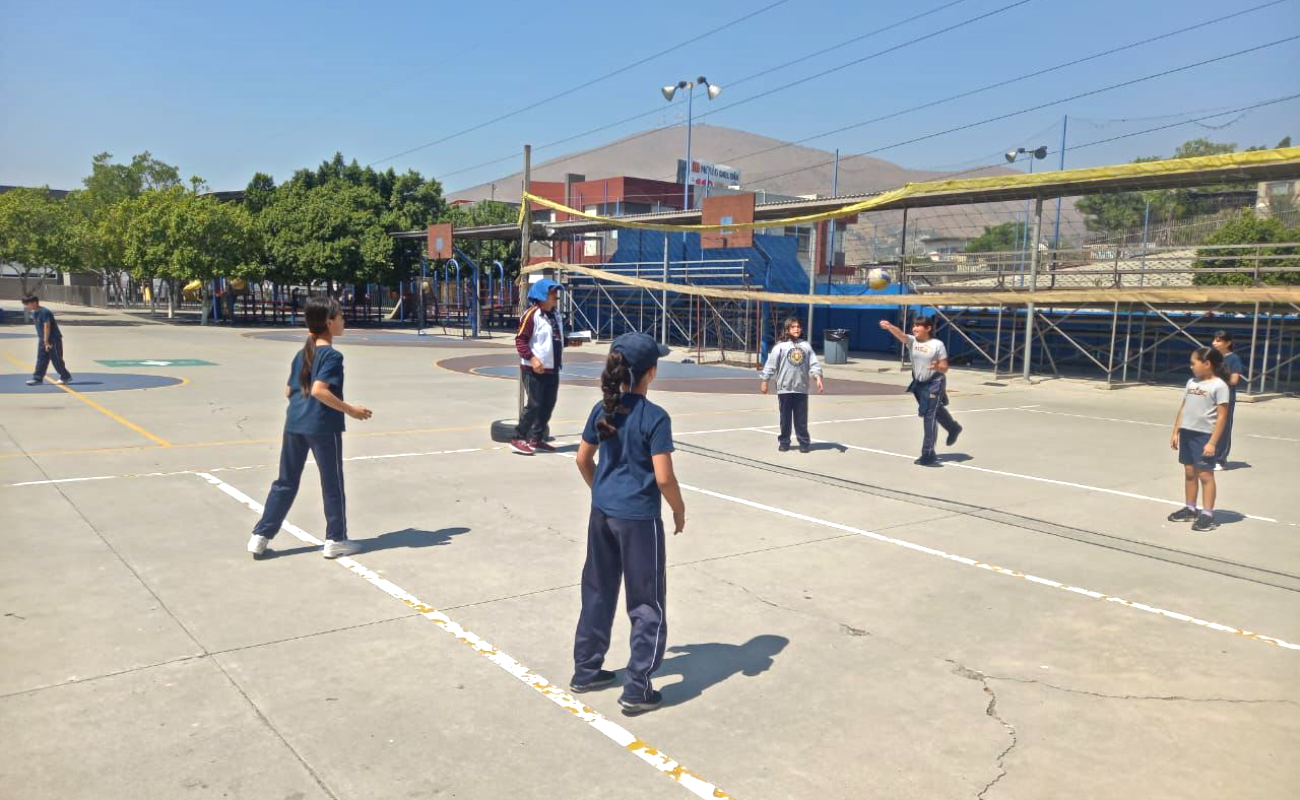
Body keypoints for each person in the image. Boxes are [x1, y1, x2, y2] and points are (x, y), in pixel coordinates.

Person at [571, 332, 685, 716]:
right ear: (650, 372)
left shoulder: (602, 409)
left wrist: (602, 491)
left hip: (602, 513)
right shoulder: (655, 417)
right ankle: (637, 688)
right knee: (647, 602)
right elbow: (664, 477)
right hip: (637, 519)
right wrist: (679, 509)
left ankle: (586, 669)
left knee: (598, 590)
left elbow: (582, 460)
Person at [247, 296, 373, 560]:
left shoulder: (302, 353)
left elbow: (288, 390)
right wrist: (351, 410)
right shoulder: (332, 355)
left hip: (294, 424)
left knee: (285, 482)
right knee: (332, 483)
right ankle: (335, 539)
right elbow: (319, 390)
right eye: (340, 316)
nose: (343, 320)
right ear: (329, 322)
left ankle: (261, 535)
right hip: (322, 426)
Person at [879, 315, 961, 465]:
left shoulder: (938, 345)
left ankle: (928, 453)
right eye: (914, 325)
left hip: (935, 382)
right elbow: (901, 335)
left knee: (929, 415)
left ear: (928, 328)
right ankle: (953, 427)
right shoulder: (912, 341)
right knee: (934, 409)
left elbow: (945, 367)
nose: (914, 328)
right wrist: (890, 326)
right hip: (920, 384)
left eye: (918, 326)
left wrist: (937, 367)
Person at [511, 278, 580, 455]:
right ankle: (518, 437)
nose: (556, 296)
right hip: (534, 369)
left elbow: (552, 340)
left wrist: (569, 342)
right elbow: (520, 340)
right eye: (552, 293)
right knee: (535, 404)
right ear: (541, 295)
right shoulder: (532, 315)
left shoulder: (555, 315)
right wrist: (532, 359)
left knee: (548, 404)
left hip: (552, 368)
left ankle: (536, 438)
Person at [1167, 347, 1230, 533]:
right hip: (1187, 433)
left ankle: (1208, 514)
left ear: (1207, 364)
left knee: (1205, 475)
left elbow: (1222, 418)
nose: (1191, 366)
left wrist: (1212, 442)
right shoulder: (1191, 382)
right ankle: (1190, 509)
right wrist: (1175, 430)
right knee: (1189, 472)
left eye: (1194, 363)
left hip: (1204, 436)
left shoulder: (1219, 386)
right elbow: (1183, 407)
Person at [759, 317, 824, 453]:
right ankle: (784, 441)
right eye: (793, 327)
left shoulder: (806, 346)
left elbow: (814, 364)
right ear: (787, 330)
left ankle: (804, 443)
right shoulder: (780, 347)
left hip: (801, 389)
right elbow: (770, 365)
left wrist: (818, 377)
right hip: (785, 389)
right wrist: (765, 380)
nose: (796, 329)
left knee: (801, 419)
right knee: (785, 418)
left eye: (798, 327)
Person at [1211, 330, 1244, 471]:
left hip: (1225, 397)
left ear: (1228, 343)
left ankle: (1220, 459)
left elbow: (1234, 380)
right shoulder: (1213, 357)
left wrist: (1221, 377)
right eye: (1214, 339)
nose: (1214, 343)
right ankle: (1208, 455)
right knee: (1209, 426)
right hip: (1211, 396)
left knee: (1223, 428)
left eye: (1218, 340)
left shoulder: (1233, 359)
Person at [22, 296, 72, 386]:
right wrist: (43, 340)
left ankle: (65, 376)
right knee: (41, 359)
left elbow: (47, 326)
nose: (26, 306)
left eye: (27, 304)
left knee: (56, 359)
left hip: (53, 339)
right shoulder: (35, 313)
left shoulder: (45, 312)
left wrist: (46, 341)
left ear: (34, 303)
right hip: (43, 339)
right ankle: (37, 379)